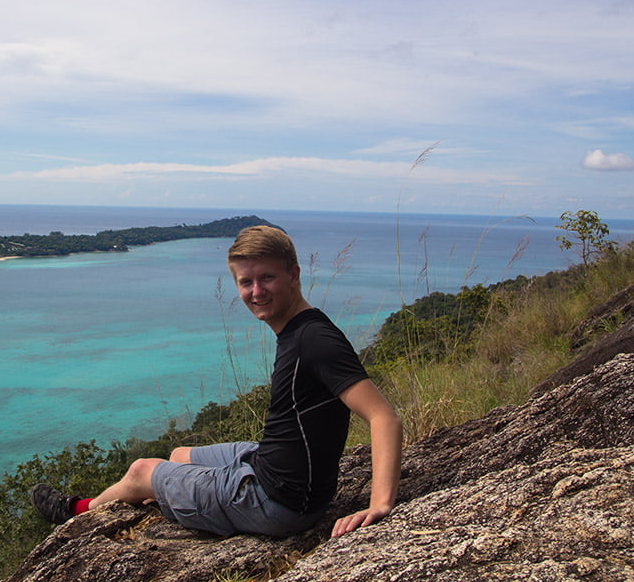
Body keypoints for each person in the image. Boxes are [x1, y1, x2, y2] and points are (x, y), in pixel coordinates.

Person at [31, 225, 402, 539]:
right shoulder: (301, 328)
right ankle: (171, 492)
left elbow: (383, 416)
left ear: (294, 275)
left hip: (278, 503)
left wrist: (380, 503)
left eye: (267, 278)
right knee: (178, 456)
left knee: (142, 471)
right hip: (271, 469)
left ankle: (77, 512)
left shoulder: (314, 340)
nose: (256, 292)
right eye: (246, 282)